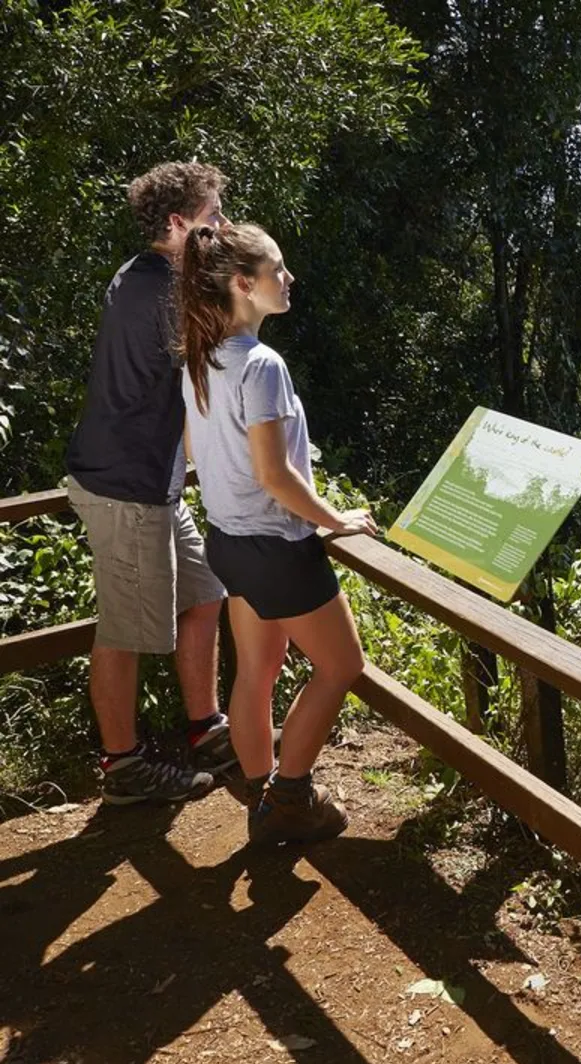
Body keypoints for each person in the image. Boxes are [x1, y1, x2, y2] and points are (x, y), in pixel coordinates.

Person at [177, 221, 377, 844]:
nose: (289, 279)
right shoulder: (261, 365)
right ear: (244, 284)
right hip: (276, 544)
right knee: (343, 666)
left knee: (256, 673)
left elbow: (196, 450)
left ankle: (260, 791)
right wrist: (334, 520)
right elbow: (274, 473)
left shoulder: (201, 359)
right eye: (278, 271)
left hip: (229, 543)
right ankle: (292, 799)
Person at [65, 162, 237, 805]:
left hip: (150, 480)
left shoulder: (148, 274)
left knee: (203, 592)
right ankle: (124, 766)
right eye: (213, 217)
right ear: (178, 223)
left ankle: (205, 728)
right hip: (126, 485)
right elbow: (221, 361)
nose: (222, 226)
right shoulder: (162, 292)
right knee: (127, 629)